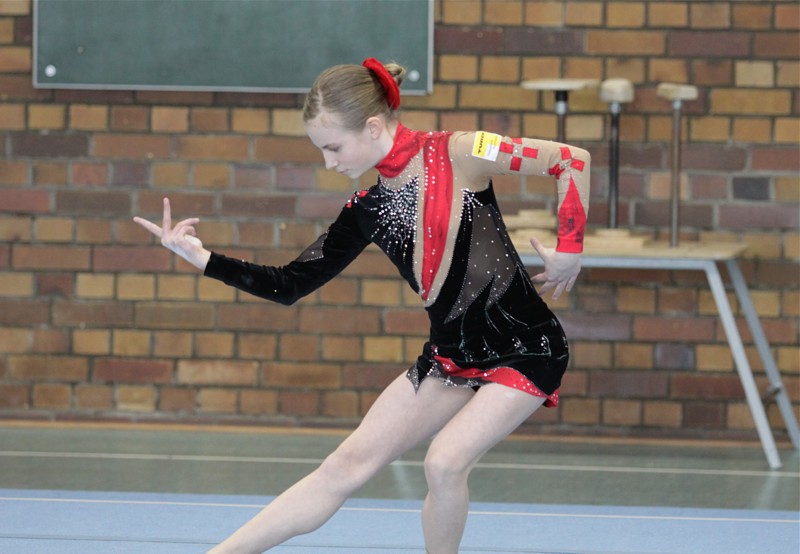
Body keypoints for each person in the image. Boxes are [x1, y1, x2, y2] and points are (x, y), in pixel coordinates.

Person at [134, 58, 590, 554]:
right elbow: (290, 284)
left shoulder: (461, 151)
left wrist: (570, 248)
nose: (328, 163)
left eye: (333, 147)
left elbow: (570, 159)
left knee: (443, 462)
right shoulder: (365, 210)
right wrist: (203, 259)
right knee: (343, 466)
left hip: (527, 347)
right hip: (450, 357)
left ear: (372, 127)